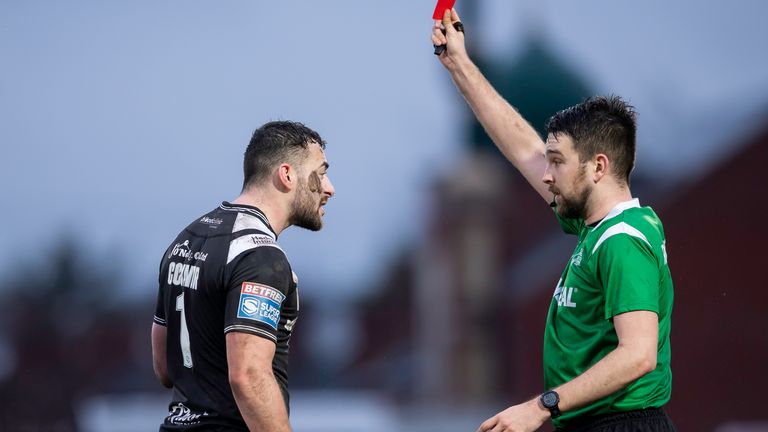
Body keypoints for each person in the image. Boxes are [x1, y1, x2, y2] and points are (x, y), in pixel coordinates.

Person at [432, 9, 675, 432]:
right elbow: (522, 146)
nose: (545, 175)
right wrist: (460, 66)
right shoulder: (595, 228)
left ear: (598, 167)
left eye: (557, 163)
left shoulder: (623, 240)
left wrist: (540, 407)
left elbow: (639, 354)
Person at [151, 121, 335, 431]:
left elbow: (164, 367)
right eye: (321, 172)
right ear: (287, 175)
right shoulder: (261, 257)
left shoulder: (186, 239)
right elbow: (249, 376)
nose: (329, 187)